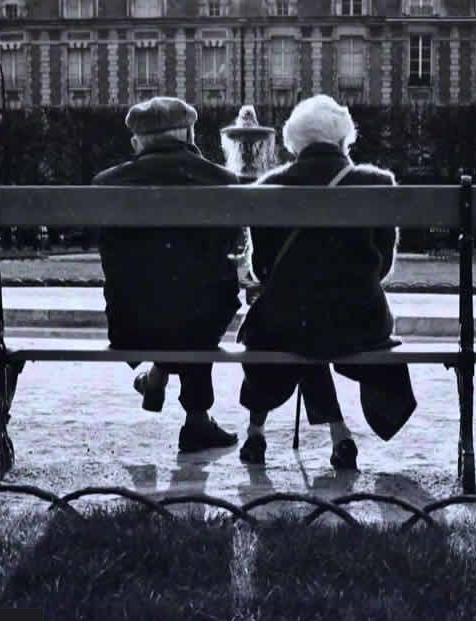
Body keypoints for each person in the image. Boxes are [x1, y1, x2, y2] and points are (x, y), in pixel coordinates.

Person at [236, 95, 416, 470]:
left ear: (294, 142)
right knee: (314, 321)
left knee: (291, 321)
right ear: (343, 139)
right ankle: (338, 435)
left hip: (289, 323)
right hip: (359, 321)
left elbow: (261, 269)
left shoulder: (268, 186)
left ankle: (257, 431)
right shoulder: (377, 183)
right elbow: (383, 265)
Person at [92, 96, 243, 453]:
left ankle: (157, 378)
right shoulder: (222, 180)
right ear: (189, 134)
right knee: (200, 292)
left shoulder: (106, 183)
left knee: (167, 292)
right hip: (201, 322)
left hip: (131, 325)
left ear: (138, 142)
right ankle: (195, 419)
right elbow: (231, 244)